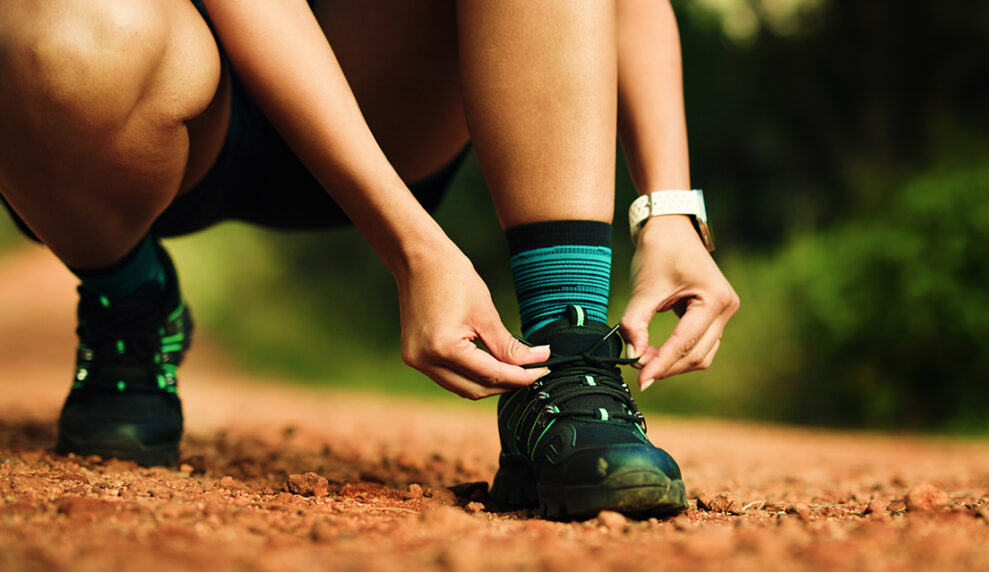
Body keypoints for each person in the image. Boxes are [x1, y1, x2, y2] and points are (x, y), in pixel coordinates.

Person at [0, 0, 738, 519]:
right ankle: (127, 297)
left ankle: (567, 358)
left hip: (382, 92)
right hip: (155, 82)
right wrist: (411, 248)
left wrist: (670, 208)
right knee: (50, 35)